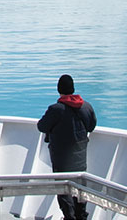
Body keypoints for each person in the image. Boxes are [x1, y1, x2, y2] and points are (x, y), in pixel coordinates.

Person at [37, 74, 97, 220]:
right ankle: (81, 215)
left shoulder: (56, 109)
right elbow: (91, 125)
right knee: (79, 187)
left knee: (64, 188)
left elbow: (42, 126)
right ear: (73, 88)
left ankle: (69, 217)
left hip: (61, 157)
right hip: (80, 154)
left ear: (59, 89)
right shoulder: (86, 106)